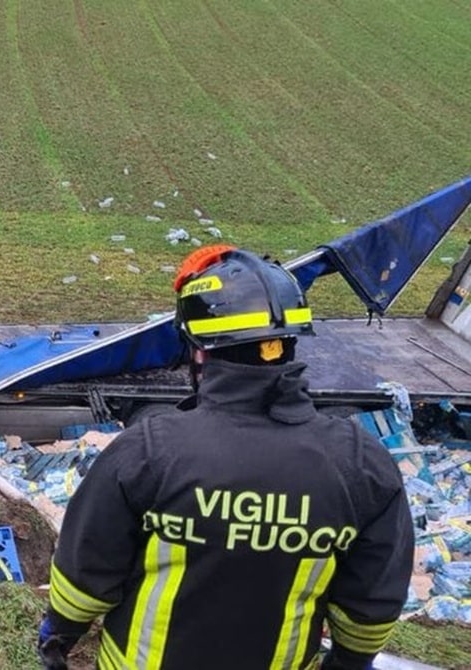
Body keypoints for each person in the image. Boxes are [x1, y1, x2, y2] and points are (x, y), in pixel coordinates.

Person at [38, 247, 413, 670]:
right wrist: (349, 661)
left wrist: (59, 634)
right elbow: (371, 603)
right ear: (288, 344)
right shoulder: (362, 465)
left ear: (199, 350)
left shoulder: (147, 451)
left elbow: (85, 571)